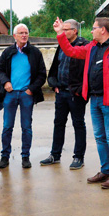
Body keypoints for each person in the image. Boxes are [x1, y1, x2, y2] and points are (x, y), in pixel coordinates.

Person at [52, 16, 109, 189]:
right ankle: (105, 170)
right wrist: (60, 33)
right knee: (99, 137)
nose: (91, 31)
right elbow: (71, 51)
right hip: (95, 98)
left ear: (103, 30)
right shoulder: (92, 47)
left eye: (94, 28)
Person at [0, 24, 47, 169]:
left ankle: (25, 156)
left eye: (26, 33)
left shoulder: (35, 53)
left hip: (26, 95)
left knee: (26, 127)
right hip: (10, 94)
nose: (24, 35)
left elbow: (42, 74)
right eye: (21, 33)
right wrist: (5, 82)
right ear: (14, 36)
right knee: (7, 127)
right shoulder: (7, 52)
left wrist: (31, 89)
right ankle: (5, 156)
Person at [41, 19, 88, 170]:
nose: (63, 32)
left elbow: (86, 71)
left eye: (66, 29)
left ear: (75, 31)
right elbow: (55, 67)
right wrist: (54, 84)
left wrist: (79, 90)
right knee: (59, 124)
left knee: (78, 124)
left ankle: (78, 157)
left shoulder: (84, 45)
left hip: (76, 94)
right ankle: (55, 155)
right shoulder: (61, 46)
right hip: (61, 93)